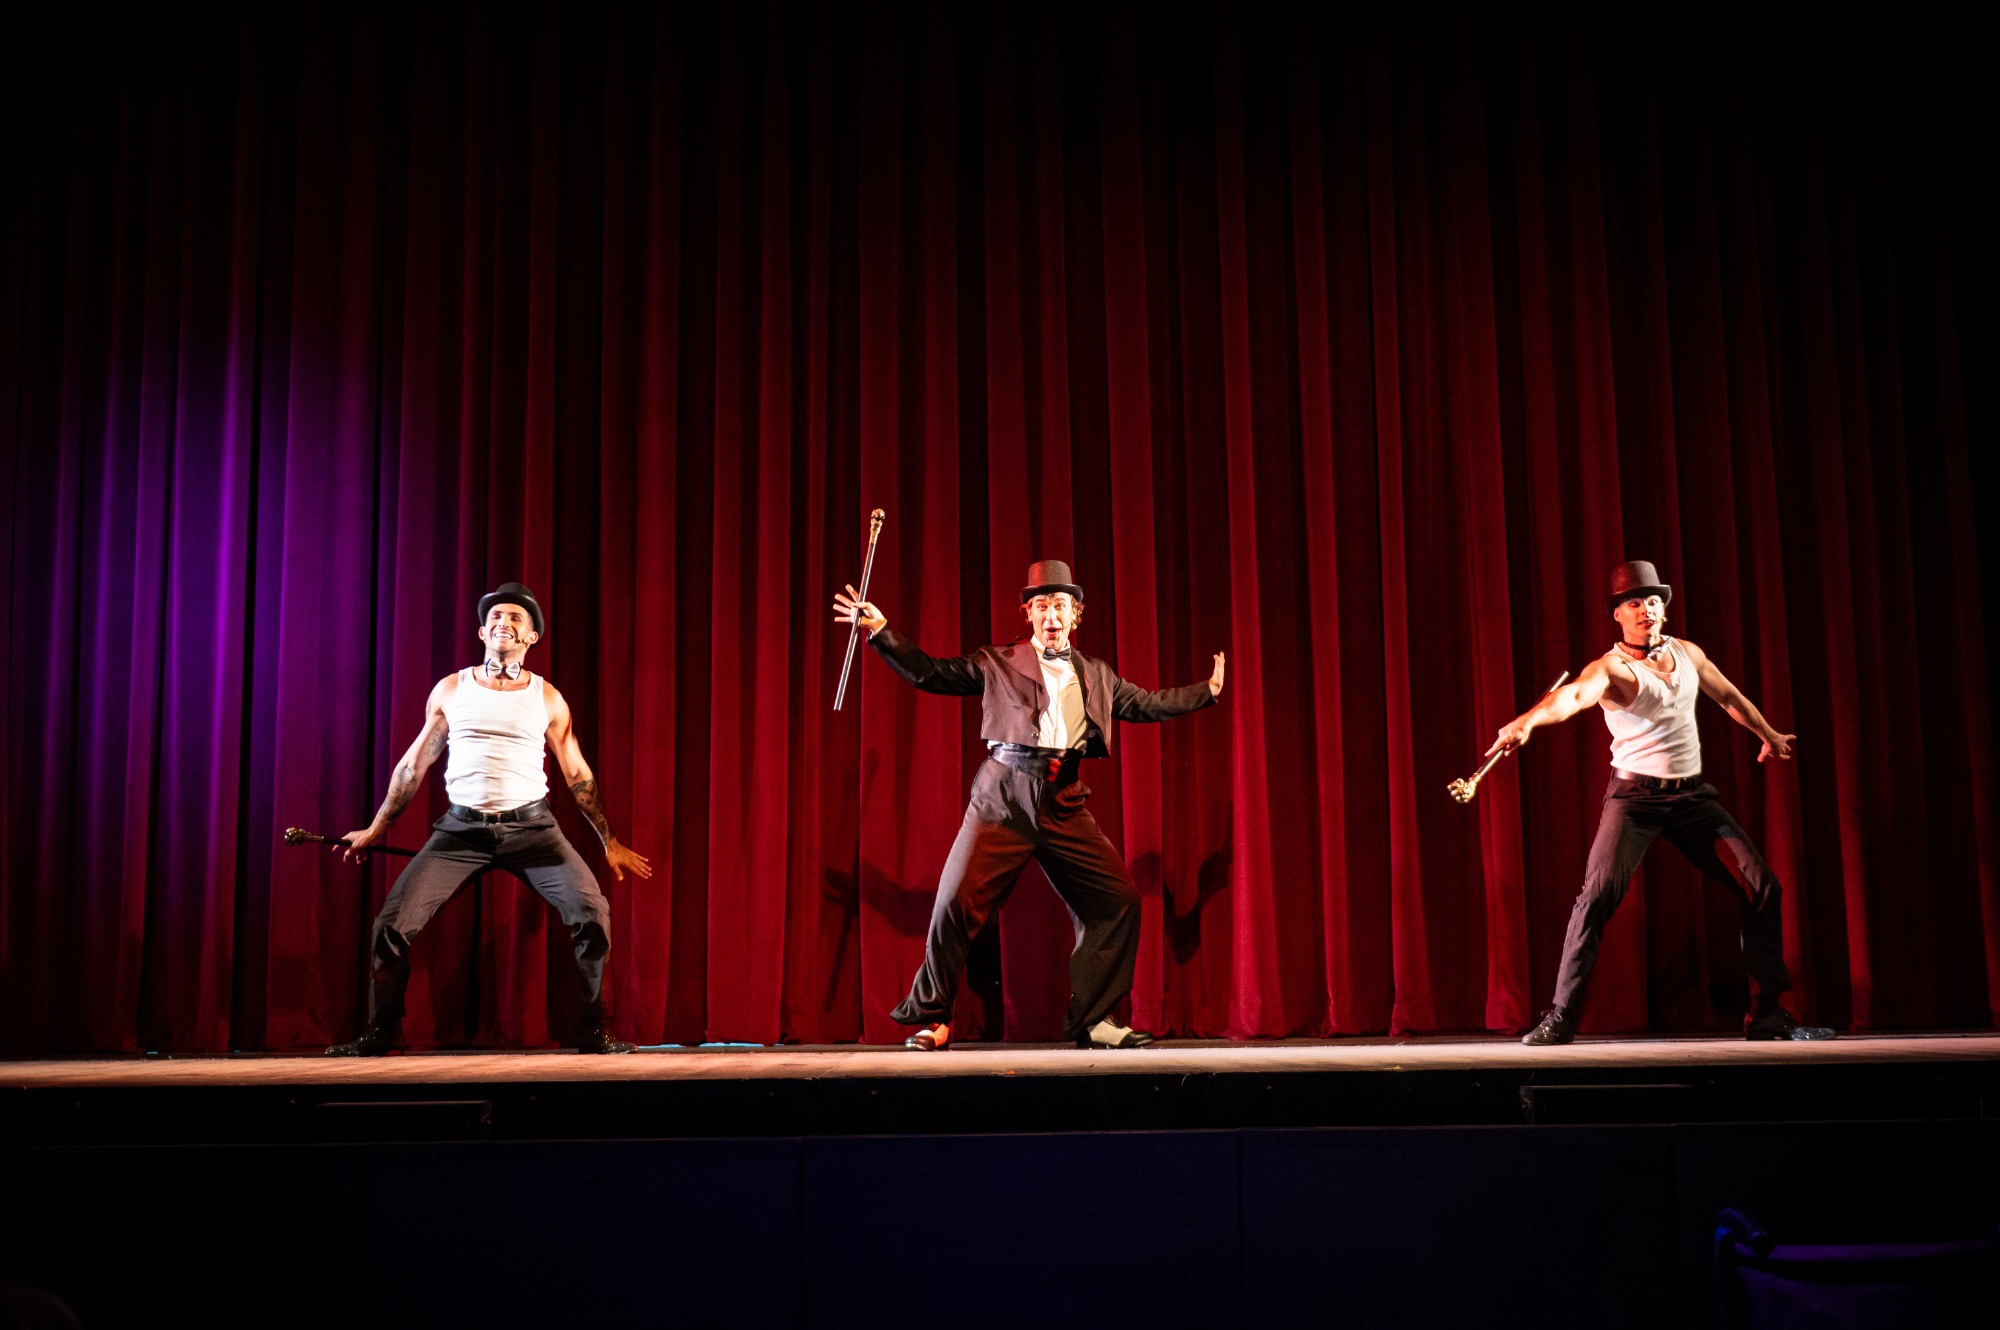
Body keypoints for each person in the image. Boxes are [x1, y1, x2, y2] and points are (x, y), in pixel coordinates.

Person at [834, 559, 1224, 1051]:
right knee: (954, 903)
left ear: (1075, 614)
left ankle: (1096, 1019)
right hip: (1004, 796)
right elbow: (931, 673)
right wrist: (882, 632)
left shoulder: (1098, 675)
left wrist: (1207, 692)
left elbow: (1147, 703)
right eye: (1041, 606)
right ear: (1029, 614)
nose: (1051, 615)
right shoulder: (998, 661)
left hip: (1063, 800)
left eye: (1059, 605)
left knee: (1117, 902)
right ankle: (934, 1017)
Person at [1493, 561, 1835, 1045]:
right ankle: (1562, 1016)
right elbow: (1571, 697)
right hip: (1634, 800)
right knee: (1596, 898)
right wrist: (1528, 721)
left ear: (1663, 609)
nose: (1646, 609)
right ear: (1618, 614)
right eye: (1634, 603)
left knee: (1762, 887)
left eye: (1653, 601)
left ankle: (1768, 1015)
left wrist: (1768, 734)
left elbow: (1728, 695)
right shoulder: (1612, 669)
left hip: (1691, 798)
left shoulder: (1687, 653)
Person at [326, 582, 652, 1056]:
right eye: (496, 616)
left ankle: (592, 1031)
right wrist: (377, 828)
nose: (504, 622)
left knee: (593, 915)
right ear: (482, 631)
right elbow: (413, 765)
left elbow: (576, 773)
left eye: (516, 618)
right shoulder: (452, 689)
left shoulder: (547, 698)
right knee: (391, 926)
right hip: (461, 833)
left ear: (531, 637)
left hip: (534, 833)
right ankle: (381, 1033)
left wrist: (609, 840)